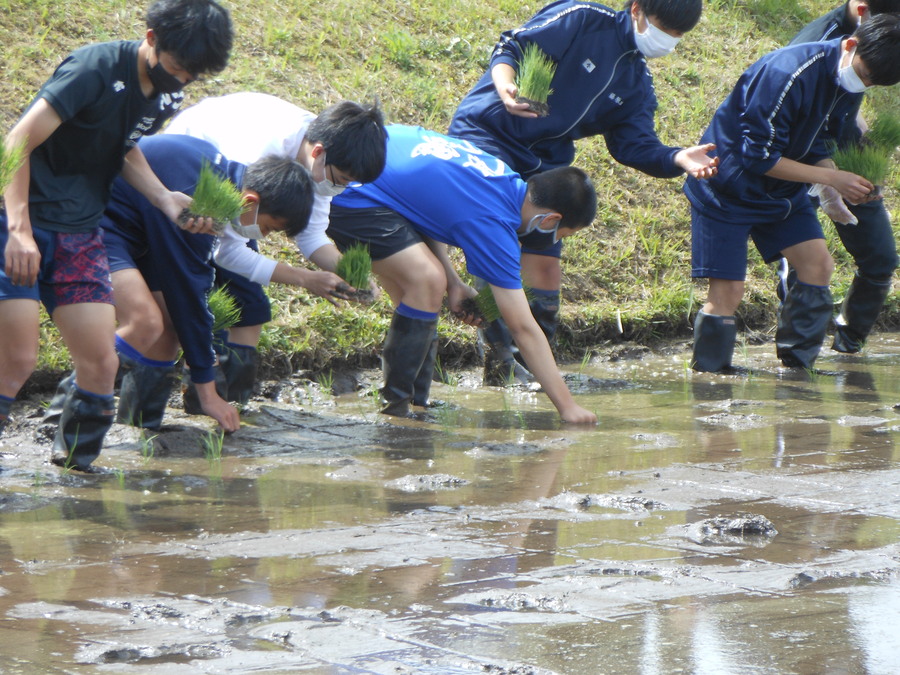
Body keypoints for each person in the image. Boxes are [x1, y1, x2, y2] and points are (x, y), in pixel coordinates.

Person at [0, 0, 233, 471]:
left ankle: (74, 471)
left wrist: (164, 197)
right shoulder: (95, 67)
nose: (183, 80)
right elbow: (17, 142)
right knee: (19, 359)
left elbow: (122, 147)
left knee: (101, 363)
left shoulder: (166, 97)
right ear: (151, 38)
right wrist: (19, 230)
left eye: (194, 74)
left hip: (80, 232)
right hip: (19, 223)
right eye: (177, 67)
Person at [448, 0, 718, 384]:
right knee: (503, 242)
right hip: (488, 136)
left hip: (543, 160)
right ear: (637, 9)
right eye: (665, 29)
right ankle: (500, 359)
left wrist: (677, 157)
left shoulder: (635, 81)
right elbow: (513, 46)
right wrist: (506, 86)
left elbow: (634, 145)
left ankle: (529, 369)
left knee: (544, 263)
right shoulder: (582, 19)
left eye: (677, 37)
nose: (668, 42)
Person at [328, 124, 599, 424]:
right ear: (549, 220)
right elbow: (523, 329)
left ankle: (414, 404)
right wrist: (567, 407)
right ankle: (398, 411)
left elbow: (426, 210)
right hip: (350, 193)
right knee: (426, 281)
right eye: (562, 234)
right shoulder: (495, 225)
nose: (556, 240)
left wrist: (455, 283)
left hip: (374, 176)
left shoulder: (500, 176)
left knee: (420, 291)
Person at [684, 14, 900, 373]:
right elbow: (758, 157)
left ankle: (797, 372)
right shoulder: (788, 73)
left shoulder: (848, 82)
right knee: (728, 295)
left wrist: (832, 181)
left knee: (818, 265)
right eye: (864, 75)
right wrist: (831, 180)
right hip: (727, 187)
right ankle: (710, 382)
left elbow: (823, 137)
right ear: (851, 45)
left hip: (783, 192)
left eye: (873, 84)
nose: (864, 85)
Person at [162, 93, 387, 405]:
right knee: (204, 289)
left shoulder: (320, 164)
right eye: (342, 180)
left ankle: (232, 406)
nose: (339, 188)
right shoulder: (256, 157)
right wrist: (306, 279)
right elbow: (226, 252)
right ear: (319, 152)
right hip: (191, 176)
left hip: (241, 205)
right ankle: (202, 400)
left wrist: (353, 274)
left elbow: (312, 237)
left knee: (249, 307)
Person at [102, 134, 313, 432]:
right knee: (147, 320)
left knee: (169, 329)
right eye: (266, 227)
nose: (261, 237)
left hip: (141, 233)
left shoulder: (219, 176)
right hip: (98, 225)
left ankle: (138, 427)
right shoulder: (198, 202)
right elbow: (188, 295)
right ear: (251, 201)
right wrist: (207, 390)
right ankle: (73, 407)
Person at [777, 0, 900, 354]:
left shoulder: (876, 41)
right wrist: (827, 177)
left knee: (880, 258)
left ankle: (849, 349)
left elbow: (847, 105)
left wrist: (866, 146)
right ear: (864, 11)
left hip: (850, 163)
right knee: (806, 265)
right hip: (804, 165)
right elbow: (791, 122)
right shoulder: (813, 45)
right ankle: (797, 359)